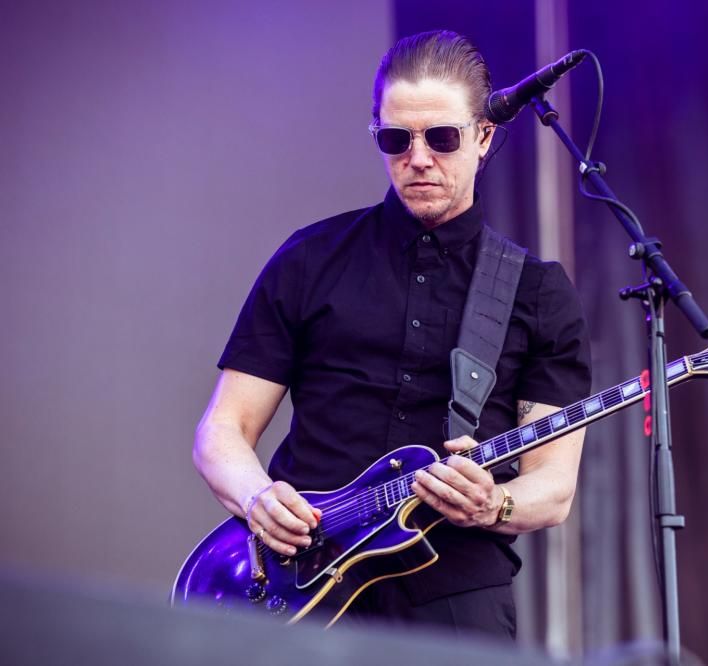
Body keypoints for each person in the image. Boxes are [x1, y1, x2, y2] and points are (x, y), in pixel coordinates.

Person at [192, 29, 591, 640]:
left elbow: (554, 487)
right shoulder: (309, 259)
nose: (419, 158)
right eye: (396, 139)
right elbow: (222, 431)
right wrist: (257, 499)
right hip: (303, 582)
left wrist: (496, 504)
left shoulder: (537, 291)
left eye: (442, 137)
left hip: (454, 592)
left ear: (484, 137)